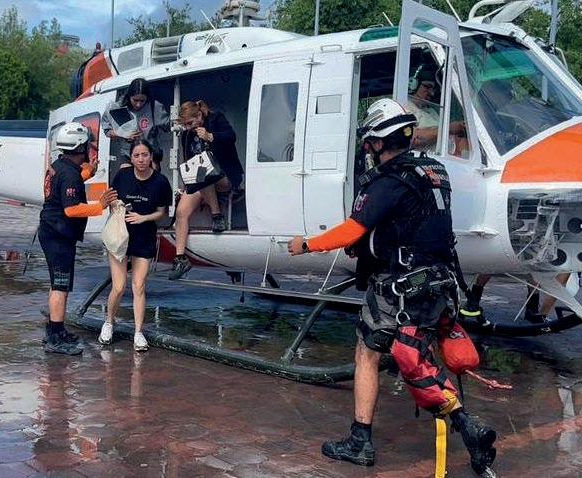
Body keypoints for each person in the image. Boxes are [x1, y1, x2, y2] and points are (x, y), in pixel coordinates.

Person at [287, 99, 497, 476]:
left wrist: (306, 244)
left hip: (400, 289)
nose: (368, 148)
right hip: (439, 284)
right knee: (419, 358)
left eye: (370, 142)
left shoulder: (389, 180)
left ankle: (361, 440)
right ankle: (469, 430)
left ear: (378, 142)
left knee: (368, 354)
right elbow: (410, 224)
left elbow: (351, 229)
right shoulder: (433, 172)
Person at [39, 122, 118, 355]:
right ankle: (55, 338)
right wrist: (100, 205)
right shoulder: (69, 174)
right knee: (60, 286)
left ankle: (55, 329)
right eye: (86, 146)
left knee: (57, 284)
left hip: (51, 231)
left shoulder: (59, 167)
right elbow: (71, 209)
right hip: (59, 235)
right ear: (80, 147)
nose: (88, 150)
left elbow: (67, 184)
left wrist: (88, 173)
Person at [98, 140, 172, 351]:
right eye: (137, 155)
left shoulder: (160, 181)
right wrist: (117, 206)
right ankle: (109, 322)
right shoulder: (122, 176)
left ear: (151, 157)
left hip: (144, 236)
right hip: (120, 236)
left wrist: (143, 217)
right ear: (131, 158)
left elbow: (162, 213)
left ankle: (138, 332)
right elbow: (109, 201)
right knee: (119, 286)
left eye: (145, 155)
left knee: (139, 285)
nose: (141, 159)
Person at [169, 100, 244, 280]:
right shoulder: (187, 135)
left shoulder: (216, 119)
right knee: (181, 212)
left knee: (204, 175)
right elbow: (189, 161)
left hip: (225, 175)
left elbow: (231, 136)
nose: (189, 127)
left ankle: (217, 215)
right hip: (201, 179)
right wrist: (186, 185)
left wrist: (210, 136)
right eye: (185, 125)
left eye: (190, 123)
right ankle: (181, 258)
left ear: (199, 115)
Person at [102, 78, 169, 171]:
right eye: (135, 100)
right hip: (128, 154)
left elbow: (169, 125)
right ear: (129, 96)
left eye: (142, 101)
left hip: (149, 155)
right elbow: (107, 131)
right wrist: (122, 133)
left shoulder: (154, 107)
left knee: (150, 177)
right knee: (125, 174)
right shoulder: (118, 108)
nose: (138, 104)